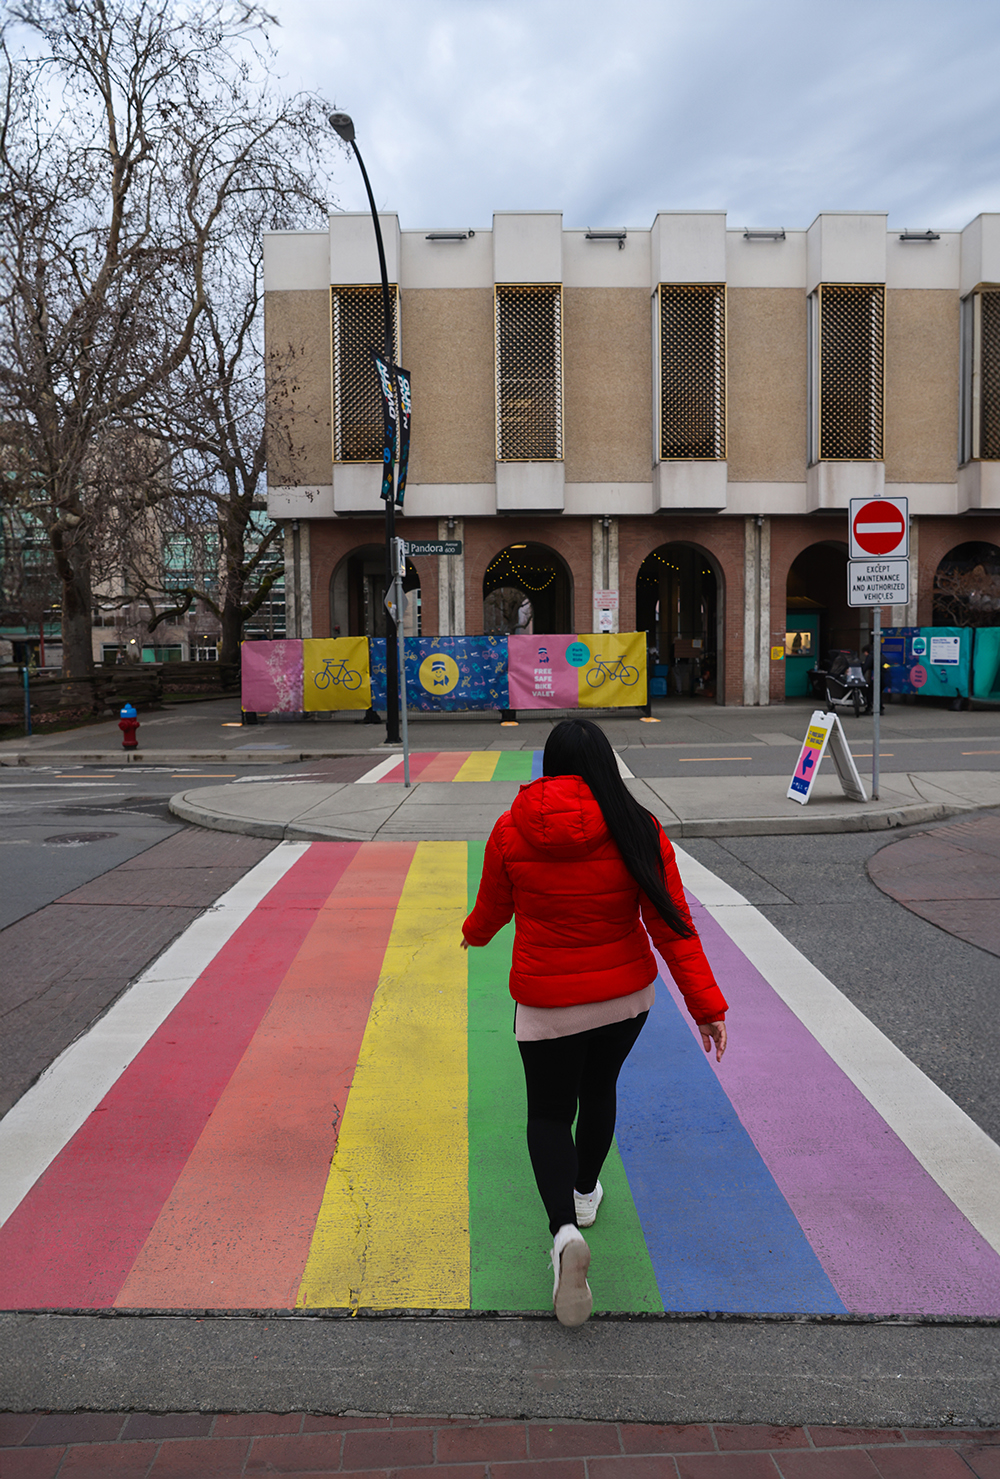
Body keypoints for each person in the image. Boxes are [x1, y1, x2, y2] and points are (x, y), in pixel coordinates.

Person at [461, 718, 728, 1327]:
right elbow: (671, 924)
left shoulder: (511, 830)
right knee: (599, 1087)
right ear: (606, 764)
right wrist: (707, 1007)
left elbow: (493, 909)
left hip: (548, 1002)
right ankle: (585, 1194)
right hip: (624, 1000)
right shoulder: (638, 827)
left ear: (548, 766)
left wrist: (472, 936)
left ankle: (562, 1235)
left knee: (549, 1113)